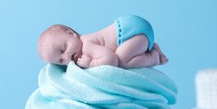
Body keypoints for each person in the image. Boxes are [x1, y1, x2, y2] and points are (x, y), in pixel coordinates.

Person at [37, 15, 168, 68]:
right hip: (132, 28)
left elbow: (111, 59)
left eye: (63, 48)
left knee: (122, 60)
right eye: (60, 61)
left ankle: (153, 58)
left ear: (72, 34)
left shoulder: (87, 44)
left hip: (131, 32)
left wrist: (91, 63)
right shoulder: (86, 42)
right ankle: (150, 48)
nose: (66, 56)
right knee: (125, 53)